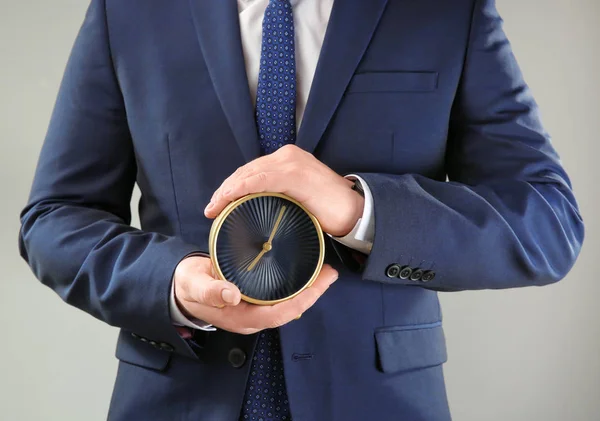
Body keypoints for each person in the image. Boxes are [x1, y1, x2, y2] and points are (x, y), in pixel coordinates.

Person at [19, 0, 584, 420]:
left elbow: (547, 220)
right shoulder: (130, 12)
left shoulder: (445, 10)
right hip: (174, 400)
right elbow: (56, 217)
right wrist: (170, 282)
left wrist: (361, 211)